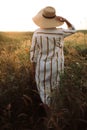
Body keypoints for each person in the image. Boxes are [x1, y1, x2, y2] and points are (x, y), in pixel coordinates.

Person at [30, 6, 76, 110]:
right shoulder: (60, 32)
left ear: (42, 18)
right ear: (54, 18)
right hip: (56, 67)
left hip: (41, 67)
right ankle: (55, 115)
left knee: (43, 91)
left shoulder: (37, 33)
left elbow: (33, 54)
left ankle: (49, 115)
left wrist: (33, 69)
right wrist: (65, 20)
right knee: (56, 89)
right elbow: (73, 29)